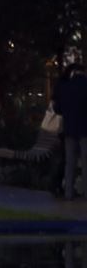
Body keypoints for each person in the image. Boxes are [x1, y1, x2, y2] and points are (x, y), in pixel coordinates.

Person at [55, 56, 87, 201]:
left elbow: (58, 109)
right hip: (85, 129)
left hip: (69, 129)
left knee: (70, 162)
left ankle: (68, 192)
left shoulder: (66, 86)